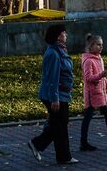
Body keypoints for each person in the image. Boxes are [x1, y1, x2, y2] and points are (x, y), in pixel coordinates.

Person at [28, 24, 77, 165]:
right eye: (64, 33)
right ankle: (39, 145)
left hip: (61, 94)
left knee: (59, 125)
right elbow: (52, 78)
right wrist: (54, 99)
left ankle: (62, 156)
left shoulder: (60, 51)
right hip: (55, 95)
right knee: (59, 126)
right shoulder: (53, 53)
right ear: (57, 36)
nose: (66, 35)